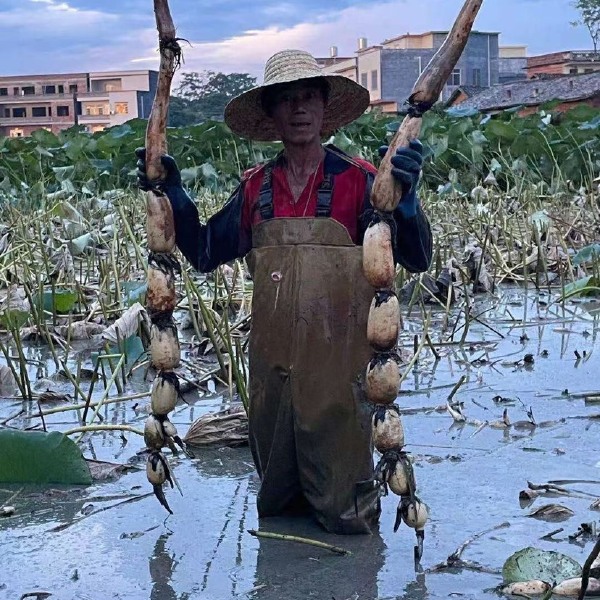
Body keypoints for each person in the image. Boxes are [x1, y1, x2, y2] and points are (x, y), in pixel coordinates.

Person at [137, 49, 432, 535]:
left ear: (323, 109)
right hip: (271, 368)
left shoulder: (361, 181)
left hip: (341, 367)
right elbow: (207, 249)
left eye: (307, 99)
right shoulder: (258, 188)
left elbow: (417, 257)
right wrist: (173, 192)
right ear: (272, 115)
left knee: (347, 512)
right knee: (276, 508)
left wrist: (408, 200)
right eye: (286, 100)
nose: (298, 109)